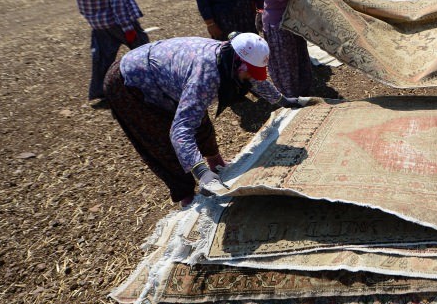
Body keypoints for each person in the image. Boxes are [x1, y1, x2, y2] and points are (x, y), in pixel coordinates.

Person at [103, 33, 305, 206]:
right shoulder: (207, 76)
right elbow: (180, 130)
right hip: (128, 83)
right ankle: (187, 198)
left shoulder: (231, 57)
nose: (250, 77)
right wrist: (201, 173)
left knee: (199, 120)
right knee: (161, 142)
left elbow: (255, 80)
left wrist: (283, 100)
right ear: (239, 65)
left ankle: (216, 165)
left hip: (159, 77)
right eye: (249, 72)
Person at [76, 0, 149, 104]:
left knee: (102, 58)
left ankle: (100, 91)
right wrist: (128, 29)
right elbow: (119, 6)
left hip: (99, 26)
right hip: (120, 24)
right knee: (144, 51)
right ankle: (150, 84)